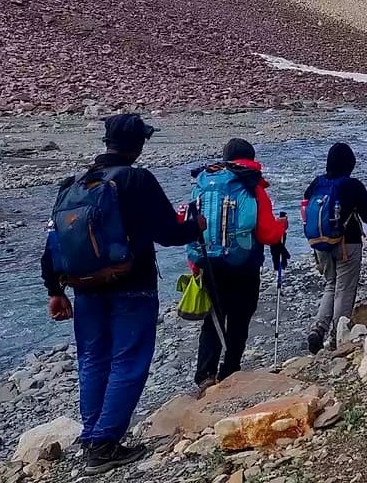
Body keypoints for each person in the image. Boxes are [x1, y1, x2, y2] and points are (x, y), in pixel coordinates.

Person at [41, 113, 203, 476]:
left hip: (84, 289)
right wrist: (197, 226)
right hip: (133, 285)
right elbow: (169, 233)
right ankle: (104, 444)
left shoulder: (75, 183)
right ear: (138, 145)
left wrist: (54, 290)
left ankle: (92, 433)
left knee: (93, 360)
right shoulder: (136, 179)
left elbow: (53, 242)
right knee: (128, 360)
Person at [190, 138, 289, 391]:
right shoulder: (251, 183)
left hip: (208, 261)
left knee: (214, 317)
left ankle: (205, 374)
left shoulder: (204, 181)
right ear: (251, 157)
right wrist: (282, 227)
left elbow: (191, 224)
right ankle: (230, 370)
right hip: (243, 264)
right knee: (239, 317)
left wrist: (194, 262)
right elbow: (267, 233)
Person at [302, 142, 367, 353]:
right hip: (347, 244)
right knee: (344, 289)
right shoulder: (353, 185)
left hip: (320, 244)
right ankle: (337, 337)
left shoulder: (316, 184)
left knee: (331, 284)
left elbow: (305, 207)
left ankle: (317, 329)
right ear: (350, 163)